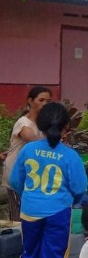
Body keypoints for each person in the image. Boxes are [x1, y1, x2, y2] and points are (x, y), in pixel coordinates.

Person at [7, 102, 88, 258]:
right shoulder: (69, 156)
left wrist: (32, 196)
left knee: (29, 256)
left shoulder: (28, 150)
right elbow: (80, 187)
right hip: (58, 212)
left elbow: (15, 181)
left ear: (39, 125)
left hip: (30, 212)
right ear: (65, 129)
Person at [2, 86, 52, 221]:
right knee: (18, 218)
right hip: (16, 174)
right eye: (41, 100)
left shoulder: (42, 125)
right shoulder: (24, 123)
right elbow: (33, 140)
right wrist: (55, 138)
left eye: (48, 101)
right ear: (30, 101)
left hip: (33, 175)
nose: (44, 104)